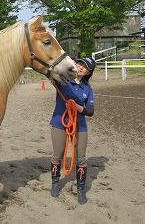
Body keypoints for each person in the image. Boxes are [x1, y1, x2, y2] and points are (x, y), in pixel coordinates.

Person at [49, 56, 96, 205]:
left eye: (85, 66)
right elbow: (52, 72)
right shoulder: (64, 81)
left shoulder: (87, 90)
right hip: (59, 123)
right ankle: (55, 183)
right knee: (58, 155)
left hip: (79, 126)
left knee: (80, 158)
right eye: (79, 63)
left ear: (88, 72)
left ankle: (81, 189)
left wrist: (78, 108)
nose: (80, 66)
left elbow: (90, 111)